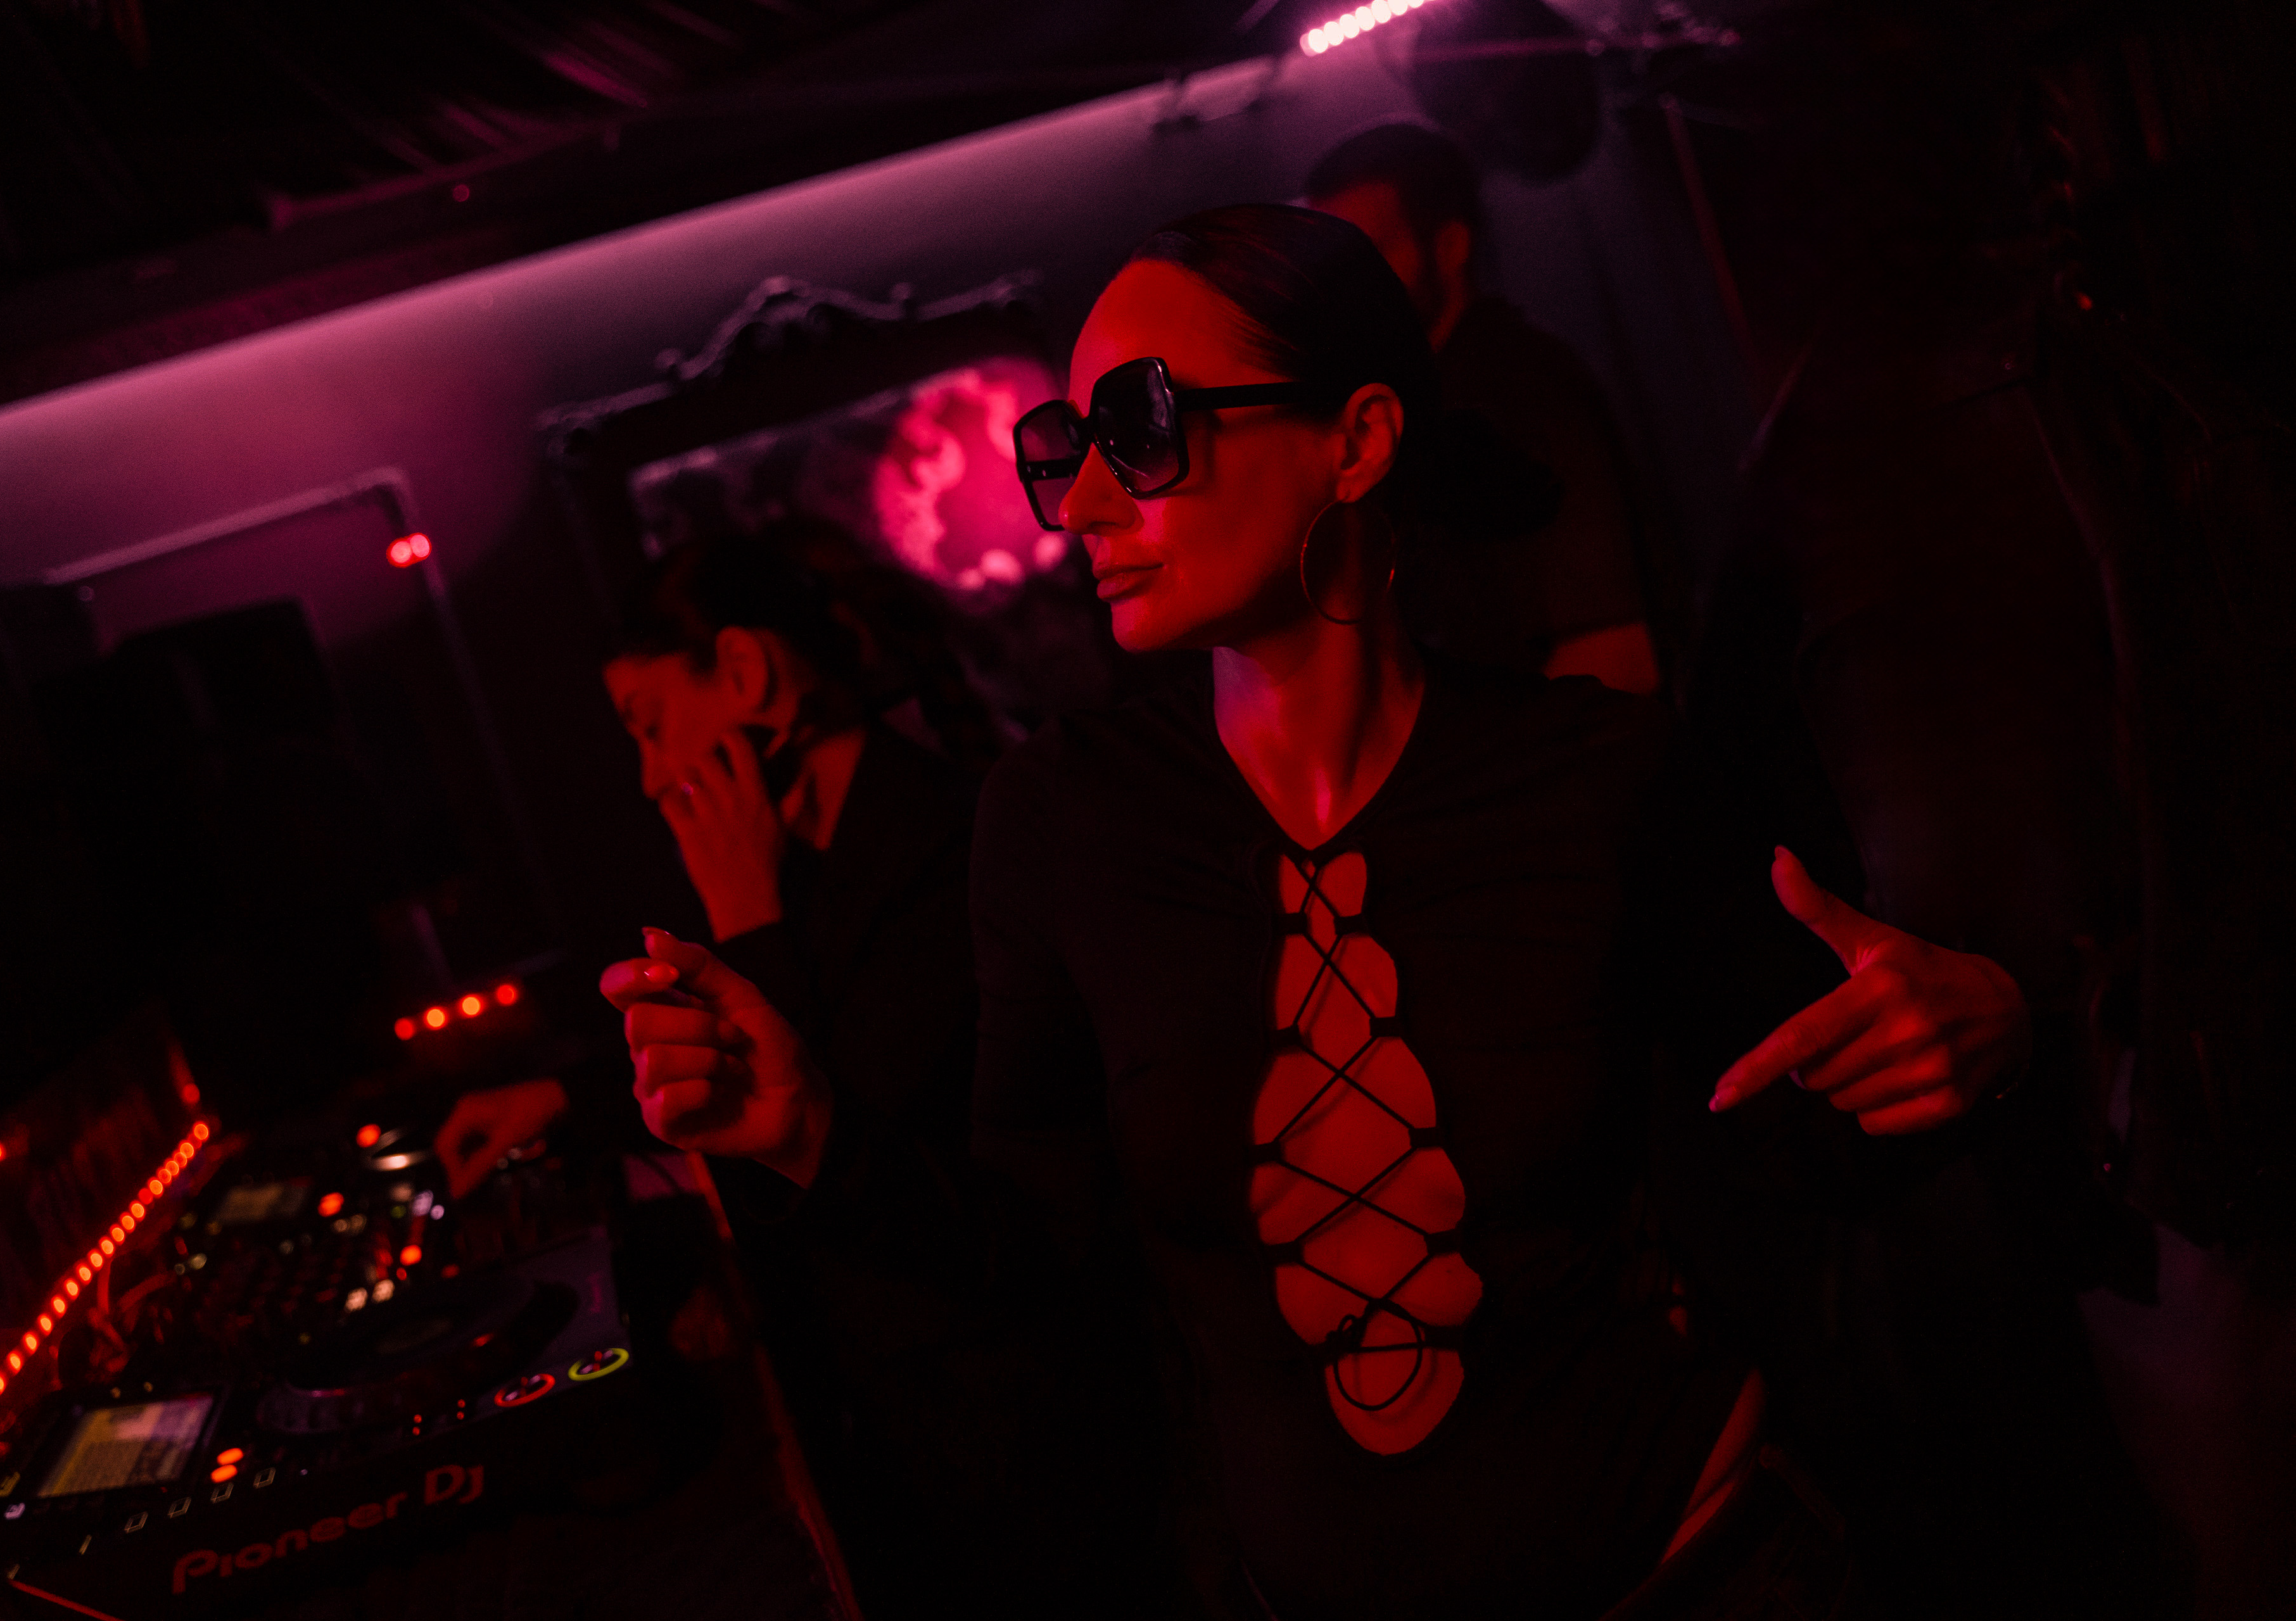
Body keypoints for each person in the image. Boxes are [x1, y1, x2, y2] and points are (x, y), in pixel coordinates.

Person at [602, 206, 2031, 1618]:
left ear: (1354, 441)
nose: (1084, 502)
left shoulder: (1592, 777)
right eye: (1066, 448)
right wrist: (811, 1133)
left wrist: (1983, 1034)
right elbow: (1036, 1258)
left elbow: (1818, 1148)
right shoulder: (1063, 823)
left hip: (1706, 1578)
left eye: (1142, 428)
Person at [438, 519, 1010, 1615]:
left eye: (650, 727)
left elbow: (826, 1142)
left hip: (994, 1445)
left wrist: (744, 913)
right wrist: (561, 1097)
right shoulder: (828, 857)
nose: (653, 779)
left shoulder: (944, 851)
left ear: (744, 673)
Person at [1307, 122, 1668, 697]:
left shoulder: (1519, 388)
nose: (1342, 294)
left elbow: (1614, 658)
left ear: (1450, 248)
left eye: (1370, 258)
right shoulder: (1422, 401)